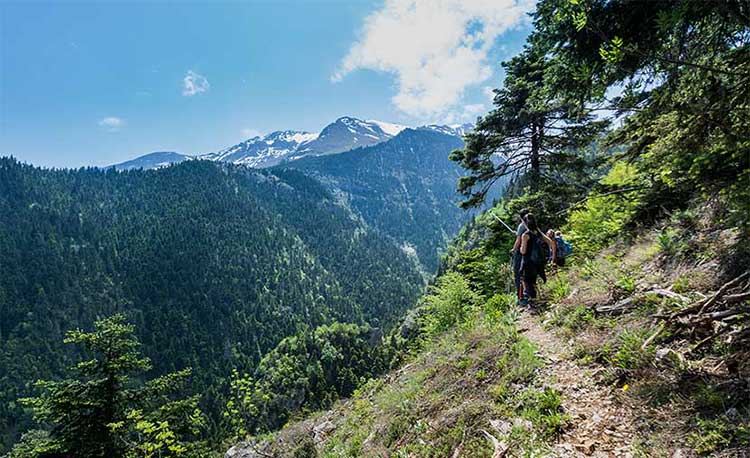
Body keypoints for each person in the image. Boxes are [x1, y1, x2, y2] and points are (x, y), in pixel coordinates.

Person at [519, 213, 556, 306]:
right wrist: (551, 256)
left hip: (528, 263)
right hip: (538, 262)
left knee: (527, 281)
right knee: (534, 280)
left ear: (525, 223)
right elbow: (550, 242)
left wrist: (519, 247)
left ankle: (532, 301)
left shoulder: (525, 235)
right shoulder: (538, 232)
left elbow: (523, 251)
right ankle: (537, 298)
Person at [511, 208, 530, 301]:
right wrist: (517, 233)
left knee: (518, 275)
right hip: (530, 253)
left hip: (521, 253)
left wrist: (513, 250)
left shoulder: (522, 226)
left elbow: (518, 241)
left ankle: (520, 297)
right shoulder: (533, 225)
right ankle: (529, 294)